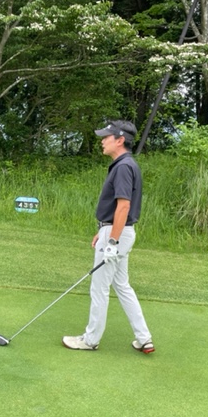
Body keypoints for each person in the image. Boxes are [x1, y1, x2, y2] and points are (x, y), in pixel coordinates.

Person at [62, 120, 154, 354]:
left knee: (99, 288)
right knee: (122, 286)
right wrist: (103, 231)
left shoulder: (123, 167)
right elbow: (118, 210)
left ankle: (90, 340)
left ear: (120, 140)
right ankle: (144, 338)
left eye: (106, 137)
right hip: (119, 232)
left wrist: (111, 241)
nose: (102, 141)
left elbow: (123, 206)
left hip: (116, 235)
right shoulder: (126, 164)